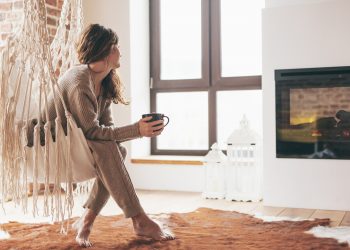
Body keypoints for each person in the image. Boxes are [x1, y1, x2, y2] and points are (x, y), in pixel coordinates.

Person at [34, 23, 175, 247]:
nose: (121, 51)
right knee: (110, 148)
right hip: (51, 142)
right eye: (116, 46)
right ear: (106, 51)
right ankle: (139, 219)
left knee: (117, 149)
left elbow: (105, 129)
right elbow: (92, 131)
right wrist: (138, 130)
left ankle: (87, 221)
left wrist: (138, 130)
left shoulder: (104, 83)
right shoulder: (79, 80)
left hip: (77, 139)